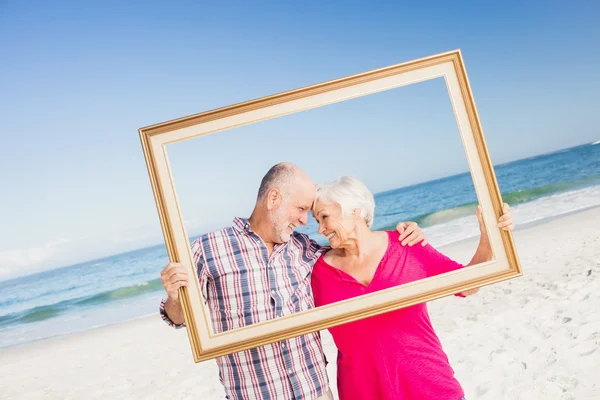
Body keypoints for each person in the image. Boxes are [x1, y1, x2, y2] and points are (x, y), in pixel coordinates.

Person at [159, 163, 428, 400]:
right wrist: (175, 297)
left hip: (315, 392)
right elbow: (179, 318)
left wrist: (398, 238)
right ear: (273, 198)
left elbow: (356, 252)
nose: (304, 220)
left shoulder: (304, 248)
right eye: (300, 209)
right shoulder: (207, 249)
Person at [310, 176, 515, 400]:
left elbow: (468, 286)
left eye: (324, 217)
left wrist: (489, 237)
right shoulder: (318, 273)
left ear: (355, 210)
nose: (320, 229)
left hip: (429, 387)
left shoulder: (406, 244)